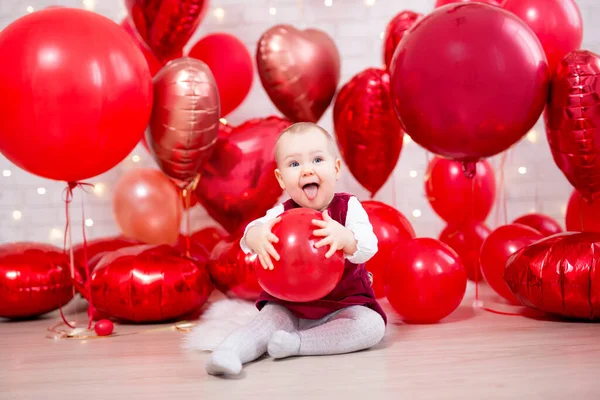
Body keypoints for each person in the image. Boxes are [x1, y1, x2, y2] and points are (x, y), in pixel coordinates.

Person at [205, 122, 386, 376]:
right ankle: (227, 353)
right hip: (288, 304)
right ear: (281, 178)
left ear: (335, 169)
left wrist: (345, 237)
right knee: (265, 323)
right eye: (294, 164)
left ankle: (299, 344)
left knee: (372, 326)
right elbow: (253, 231)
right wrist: (255, 235)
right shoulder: (282, 213)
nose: (306, 170)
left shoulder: (349, 207)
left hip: (343, 303)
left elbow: (369, 245)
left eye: (317, 159)